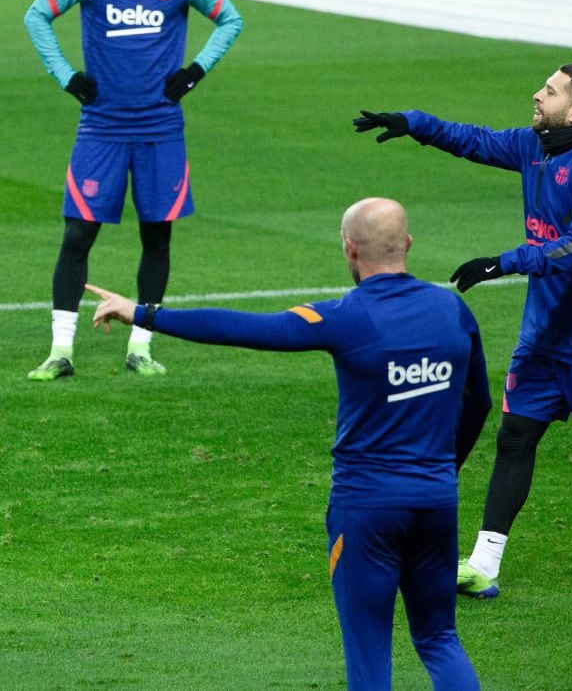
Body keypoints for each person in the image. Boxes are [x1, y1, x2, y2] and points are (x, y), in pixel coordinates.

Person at [88, 198, 491, 689]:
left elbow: (250, 328)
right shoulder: (452, 308)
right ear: (407, 244)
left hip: (366, 511)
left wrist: (143, 313)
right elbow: (480, 402)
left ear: (349, 248)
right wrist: (446, 468)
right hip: (436, 503)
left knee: (369, 652)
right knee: (439, 638)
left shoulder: (348, 316)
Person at [355, 64, 572, 599]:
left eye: (549, 91)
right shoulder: (536, 146)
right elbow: (474, 140)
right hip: (544, 332)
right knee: (514, 438)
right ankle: (484, 566)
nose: (537, 93)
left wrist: (502, 263)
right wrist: (412, 122)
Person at [23, 0, 243, 380]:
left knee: (157, 236)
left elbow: (231, 20)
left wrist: (196, 70)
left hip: (161, 130)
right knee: (78, 234)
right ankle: (60, 351)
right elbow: (36, 15)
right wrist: (65, 74)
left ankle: (141, 346)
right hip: (100, 128)